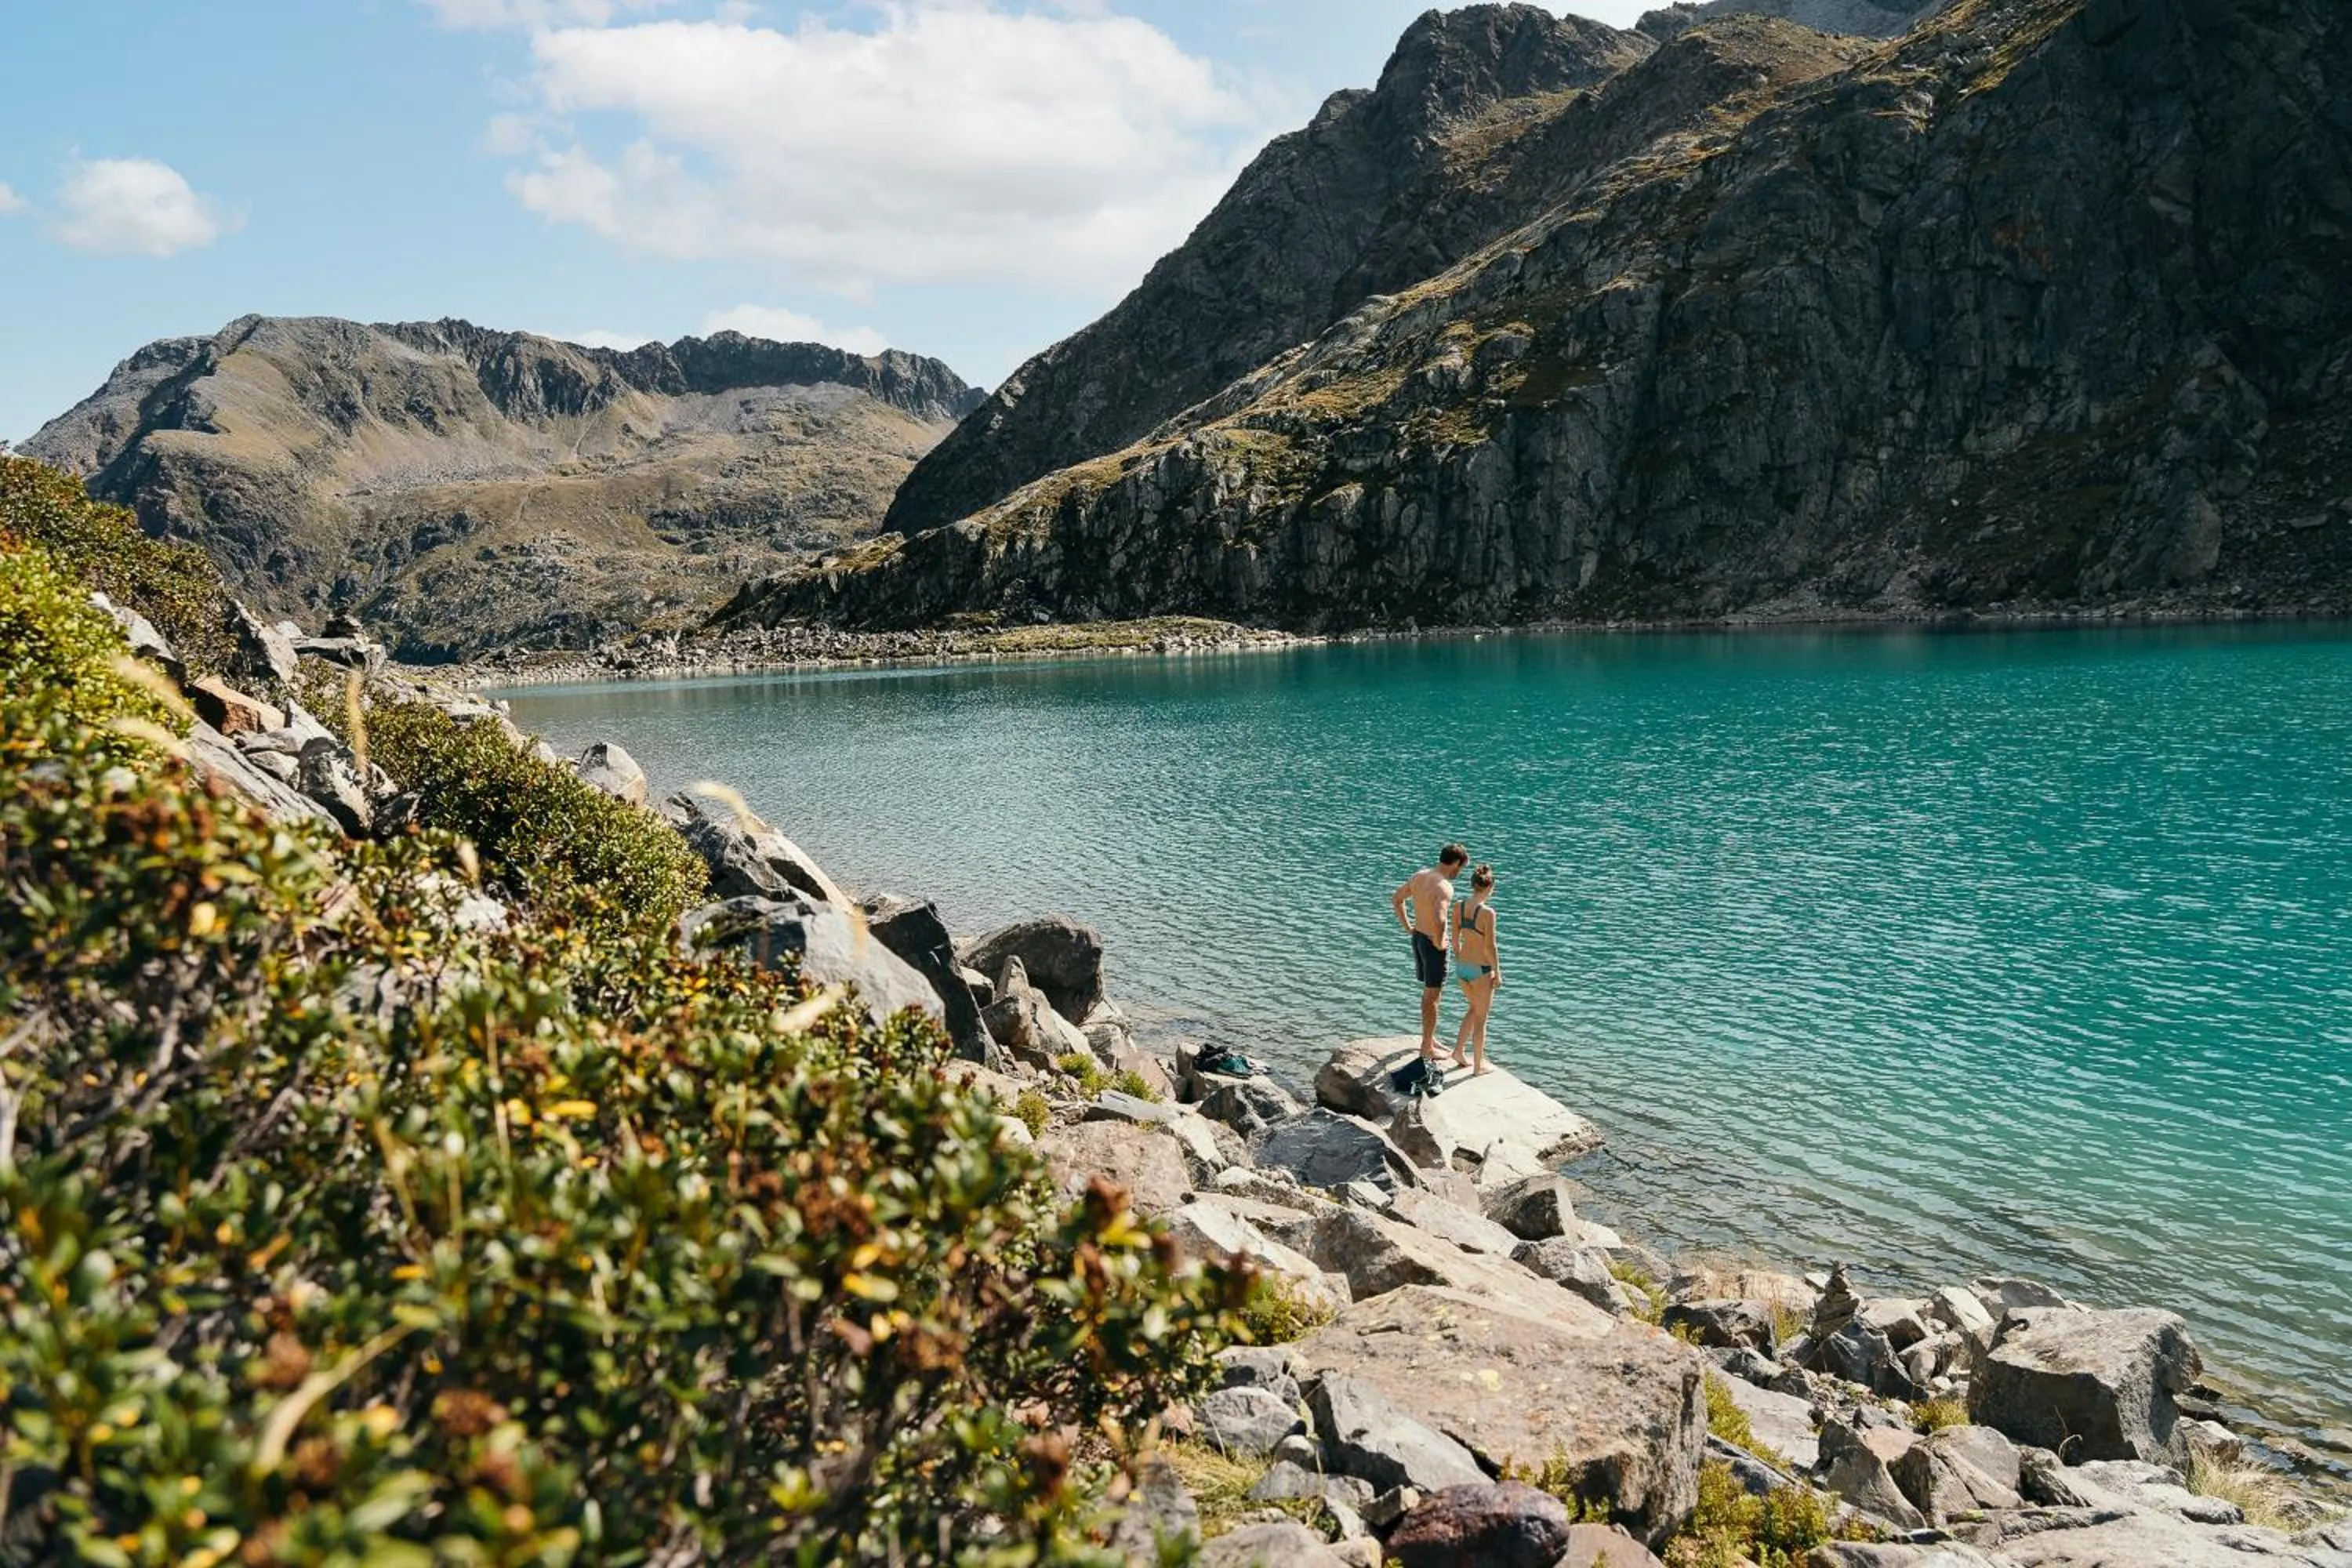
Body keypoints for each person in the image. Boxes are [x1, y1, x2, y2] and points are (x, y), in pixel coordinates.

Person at [1392, 844, 1469, 1061]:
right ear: (1456, 864)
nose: (1459, 873)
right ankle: (1426, 1046)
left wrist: (1408, 927)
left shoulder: (1420, 876)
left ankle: (1429, 1037)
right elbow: (1441, 918)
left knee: (1429, 993)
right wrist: (1439, 941)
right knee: (1433, 996)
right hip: (1431, 944)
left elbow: (1397, 899)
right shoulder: (1444, 886)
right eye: (1460, 869)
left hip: (1418, 937)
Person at [1450, 863, 1502, 1076]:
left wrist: (1461, 956)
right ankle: (1478, 1067)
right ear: (1490, 888)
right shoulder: (1488, 913)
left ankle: (1458, 1052)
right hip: (1481, 970)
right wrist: (1497, 972)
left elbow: (1454, 939)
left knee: (1473, 1009)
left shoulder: (1459, 907)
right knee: (1481, 1018)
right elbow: (1491, 947)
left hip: (1462, 967)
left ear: (1473, 885)